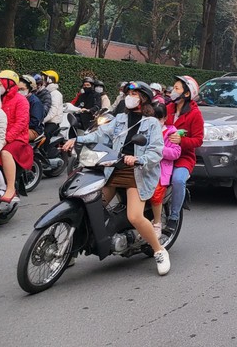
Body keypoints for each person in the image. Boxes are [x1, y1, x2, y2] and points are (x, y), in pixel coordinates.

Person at [62, 81, 170, 275]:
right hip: (114, 168)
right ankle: (71, 250)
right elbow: (100, 134)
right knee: (90, 203)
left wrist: (139, 159)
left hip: (138, 172)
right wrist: (75, 139)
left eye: (135, 93)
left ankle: (159, 250)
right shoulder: (120, 118)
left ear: (143, 98)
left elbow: (156, 152)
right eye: (129, 92)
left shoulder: (151, 123)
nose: (130, 96)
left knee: (135, 216)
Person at [164, 75, 203, 233]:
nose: (173, 91)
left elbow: (198, 140)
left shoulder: (195, 114)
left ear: (186, 94)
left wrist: (181, 141)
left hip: (183, 158)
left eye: (177, 88)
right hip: (163, 155)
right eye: (173, 87)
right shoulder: (168, 109)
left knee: (178, 180)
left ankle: (174, 217)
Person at [0, 70, 32, 203]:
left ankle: (10, 188)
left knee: (5, 153)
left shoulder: (21, 100)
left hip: (17, 139)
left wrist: (6, 139)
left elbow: (21, 123)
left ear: (9, 84)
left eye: (0, 83)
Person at [150, 103, 181, 239]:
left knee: (156, 194)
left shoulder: (171, 133)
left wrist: (159, 150)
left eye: (159, 118)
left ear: (165, 118)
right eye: (153, 117)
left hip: (161, 170)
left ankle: (157, 223)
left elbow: (175, 153)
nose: (156, 121)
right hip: (144, 167)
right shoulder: (144, 130)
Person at [19, 74, 44, 142]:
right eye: (17, 89)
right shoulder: (17, 99)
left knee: (14, 138)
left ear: (29, 89)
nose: (19, 91)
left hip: (33, 130)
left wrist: (19, 125)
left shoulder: (35, 102)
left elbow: (35, 121)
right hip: (19, 126)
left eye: (22, 89)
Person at [41, 70, 63, 140]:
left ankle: (45, 150)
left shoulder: (56, 94)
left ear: (50, 80)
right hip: (45, 121)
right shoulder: (45, 92)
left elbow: (52, 112)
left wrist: (42, 121)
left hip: (52, 122)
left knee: (45, 134)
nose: (42, 81)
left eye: (44, 78)